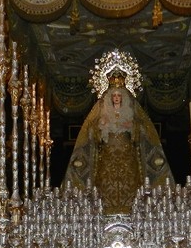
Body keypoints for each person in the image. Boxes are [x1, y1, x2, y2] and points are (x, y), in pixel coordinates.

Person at [62, 76, 174, 214]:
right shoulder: (102, 112)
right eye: (114, 95)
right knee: (105, 185)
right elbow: (90, 132)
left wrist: (132, 126)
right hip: (107, 157)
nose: (116, 98)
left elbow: (144, 130)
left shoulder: (131, 112)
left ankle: (133, 211)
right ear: (110, 97)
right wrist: (100, 126)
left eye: (119, 95)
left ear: (123, 98)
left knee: (131, 184)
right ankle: (105, 211)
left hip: (128, 157)